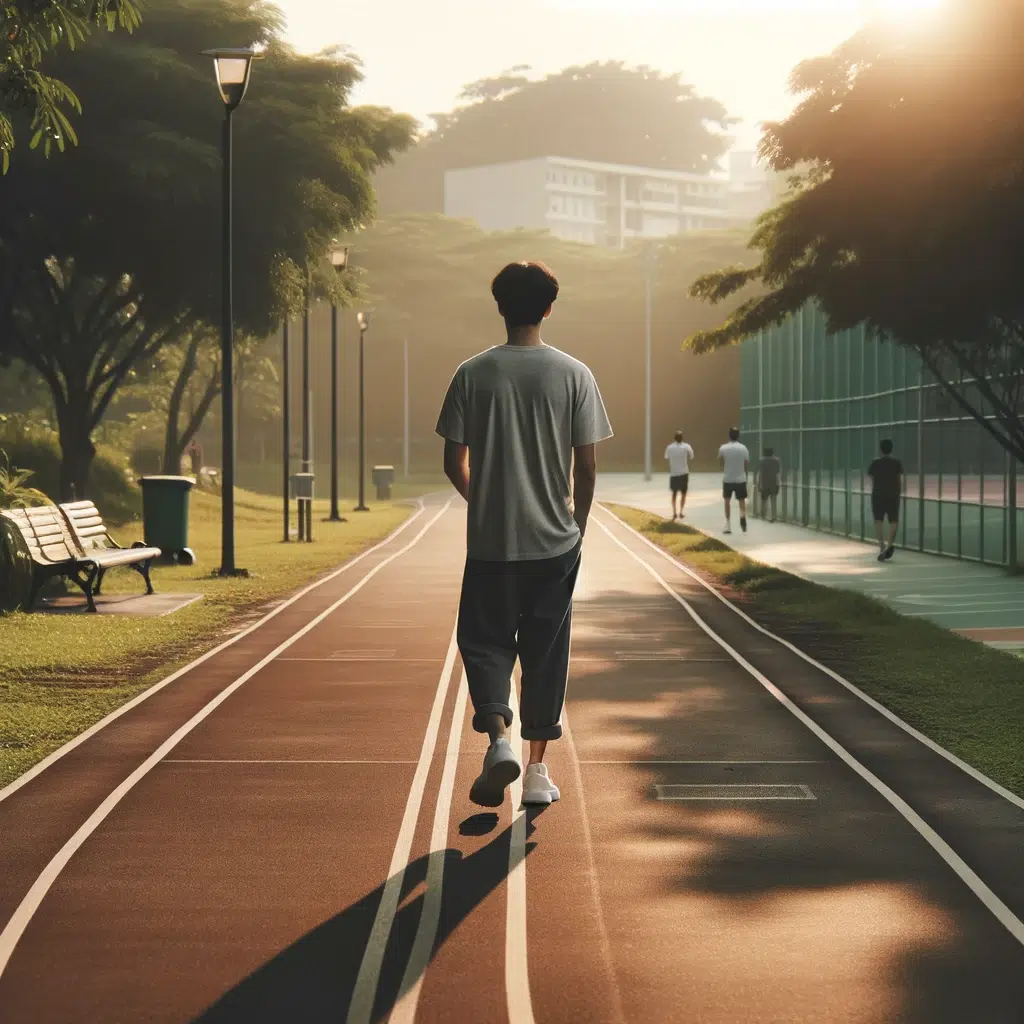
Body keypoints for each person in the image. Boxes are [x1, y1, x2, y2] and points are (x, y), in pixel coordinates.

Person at [435, 261, 613, 809]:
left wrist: (487, 504)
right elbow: (586, 470)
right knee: (546, 654)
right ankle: (537, 775)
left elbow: (452, 462)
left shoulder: (472, 373)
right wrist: (576, 528)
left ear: (500, 307)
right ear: (549, 308)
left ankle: (497, 742)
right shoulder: (574, 374)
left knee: (484, 643)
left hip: (492, 544)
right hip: (554, 544)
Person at [868, 438, 903, 561]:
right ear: (891, 449)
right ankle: (890, 544)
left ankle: (882, 547)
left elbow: (872, 479)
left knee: (878, 520)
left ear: (881, 449)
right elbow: (898, 480)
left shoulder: (875, 463)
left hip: (878, 494)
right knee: (894, 521)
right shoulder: (896, 463)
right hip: (892, 494)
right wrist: (898, 491)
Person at [718, 427, 750, 535]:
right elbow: (746, 464)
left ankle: (728, 525)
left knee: (727, 500)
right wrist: (745, 474)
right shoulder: (743, 448)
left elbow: (721, 463)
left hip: (728, 478)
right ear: (738, 436)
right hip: (740, 478)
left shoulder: (723, 448)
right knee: (741, 500)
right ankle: (742, 516)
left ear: (729, 435)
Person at [664, 430, 694, 520]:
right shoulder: (687, 446)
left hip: (674, 473)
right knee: (683, 493)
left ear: (674, 438)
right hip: (684, 473)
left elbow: (666, 457)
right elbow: (691, 456)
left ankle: (674, 512)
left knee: (674, 493)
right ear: (682, 438)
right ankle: (681, 512)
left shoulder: (669, 447)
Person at [756, 446, 782, 523]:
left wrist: (759, 484)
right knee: (773, 499)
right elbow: (778, 472)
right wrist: (778, 483)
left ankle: (763, 515)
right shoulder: (777, 461)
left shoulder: (762, 461)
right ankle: (774, 516)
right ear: (772, 453)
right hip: (774, 483)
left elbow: (760, 473)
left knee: (764, 500)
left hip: (764, 483)